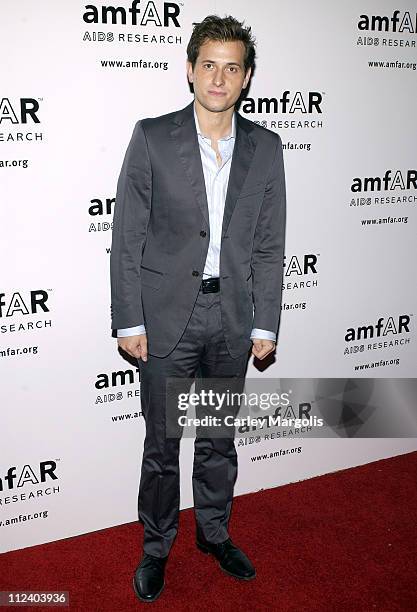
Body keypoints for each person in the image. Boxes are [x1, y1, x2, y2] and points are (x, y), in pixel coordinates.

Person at [110, 14, 286, 603]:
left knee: (217, 438)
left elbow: (268, 241)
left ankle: (213, 533)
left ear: (246, 78)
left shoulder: (266, 148)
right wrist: (129, 318)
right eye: (208, 64)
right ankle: (156, 546)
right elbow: (128, 233)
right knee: (163, 444)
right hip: (166, 320)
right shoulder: (153, 136)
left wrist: (265, 321)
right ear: (190, 70)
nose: (219, 77)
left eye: (231, 67)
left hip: (231, 318)